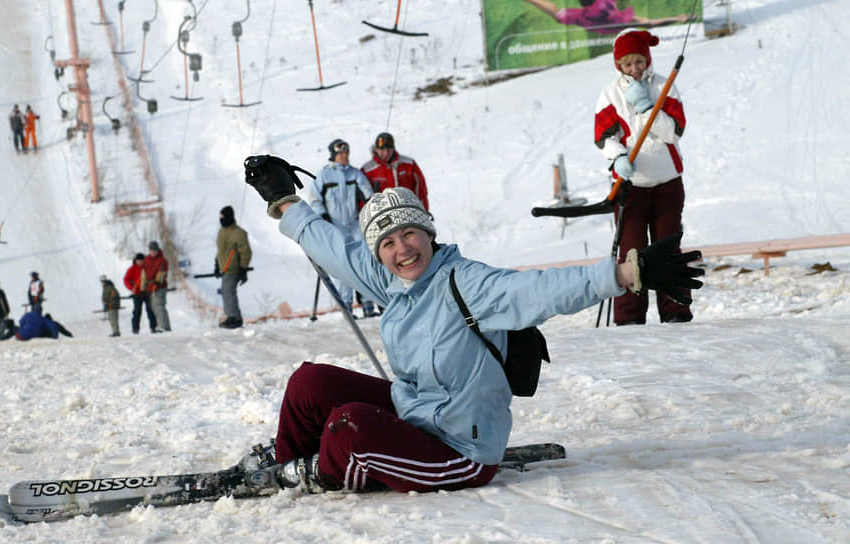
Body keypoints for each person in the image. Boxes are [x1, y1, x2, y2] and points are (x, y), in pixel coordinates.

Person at [236, 154, 702, 496]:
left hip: (459, 451)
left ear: (428, 232)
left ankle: (316, 473)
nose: (402, 250)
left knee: (347, 427)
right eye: (389, 242)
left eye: (410, 234)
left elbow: (543, 290)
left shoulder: (468, 284)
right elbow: (334, 247)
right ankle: (285, 462)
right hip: (414, 417)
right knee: (309, 381)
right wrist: (283, 200)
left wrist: (627, 273)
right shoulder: (391, 281)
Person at [595, 29, 692, 325]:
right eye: (627, 64)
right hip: (631, 186)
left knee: (667, 248)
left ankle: (675, 310)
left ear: (647, 60)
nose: (634, 69)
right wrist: (617, 157)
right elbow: (604, 137)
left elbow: (673, 133)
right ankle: (629, 318)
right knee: (631, 255)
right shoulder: (610, 94)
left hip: (666, 182)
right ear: (618, 66)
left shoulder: (665, 86)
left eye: (639, 61)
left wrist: (648, 107)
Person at [310, 138, 377, 317]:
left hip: (355, 224)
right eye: (341, 153)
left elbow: (368, 193)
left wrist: (372, 206)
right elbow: (315, 199)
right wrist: (322, 216)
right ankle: (346, 306)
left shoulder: (354, 174)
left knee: (362, 262)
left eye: (347, 152)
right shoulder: (323, 175)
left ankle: (368, 304)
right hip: (335, 225)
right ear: (334, 155)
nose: (345, 156)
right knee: (342, 264)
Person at [523, 0, 693, 35]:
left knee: (558, 15)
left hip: (603, 21)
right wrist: (676, 18)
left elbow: (556, 13)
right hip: (611, 22)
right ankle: (678, 18)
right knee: (644, 23)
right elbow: (649, 23)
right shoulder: (604, 6)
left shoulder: (582, 13)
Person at [361, 132, 429, 211]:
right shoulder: (368, 170)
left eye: (389, 150)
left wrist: (423, 210)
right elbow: (363, 198)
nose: (386, 153)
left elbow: (420, 190)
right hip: (382, 214)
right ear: (376, 149)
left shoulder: (409, 164)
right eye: (382, 150)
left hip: (408, 211)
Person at [215, 206, 252, 329]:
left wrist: (243, 269)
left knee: (228, 292)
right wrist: (216, 265)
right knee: (226, 292)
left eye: (223, 217)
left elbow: (246, 252)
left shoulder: (239, 233)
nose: (221, 220)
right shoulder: (221, 232)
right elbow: (220, 250)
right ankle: (231, 316)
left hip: (234, 268)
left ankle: (235, 318)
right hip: (224, 268)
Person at [123, 253, 158, 334]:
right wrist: (131, 288)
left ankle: (153, 327)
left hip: (147, 292)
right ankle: (135, 329)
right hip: (137, 293)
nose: (140, 262)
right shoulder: (132, 269)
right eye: (138, 260)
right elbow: (126, 280)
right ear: (135, 260)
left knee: (150, 310)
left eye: (141, 260)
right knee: (137, 311)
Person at [142, 241, 171, 332]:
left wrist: (157, 284)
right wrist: (143, 287)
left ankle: (164, 326)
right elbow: (143, 273)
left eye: (155, 250)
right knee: (153, 306)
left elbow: (162, 272)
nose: (153, 252)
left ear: (158, 250)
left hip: (160, 286)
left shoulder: (162, 260)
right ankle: (160, 325)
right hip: (150, 286)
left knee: (159, 305)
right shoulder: (146, 259)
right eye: (151, 250)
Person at [2, 308, 73, 340]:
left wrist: (23, 327)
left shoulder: (28, 314)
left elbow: (20, 322)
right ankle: (69, 335)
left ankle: (2, 338)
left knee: (14, 328)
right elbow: (54, 327)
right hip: (35, 335)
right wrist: (55, 337)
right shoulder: (44, 320)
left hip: (21, 336)